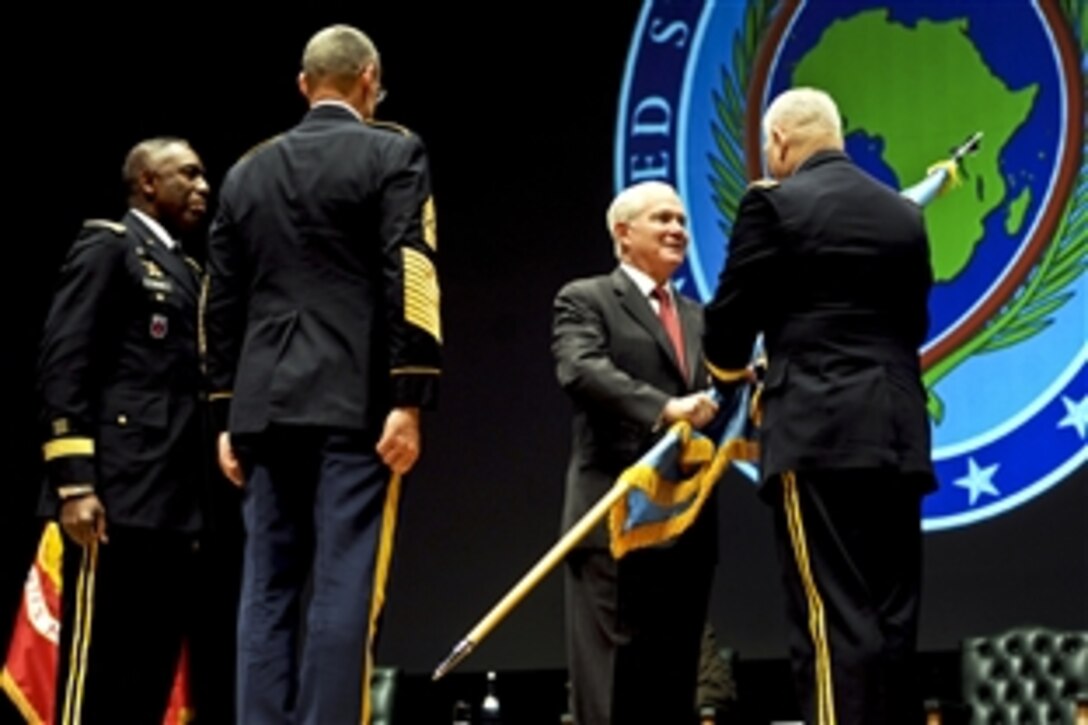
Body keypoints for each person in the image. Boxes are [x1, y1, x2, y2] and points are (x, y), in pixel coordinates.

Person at [204, 24, 441, 725]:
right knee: (342, 581)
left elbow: (221, 301)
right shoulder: (393, 152)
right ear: (369, 78)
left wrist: (223, 413)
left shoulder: (248, 170)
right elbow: (412, 270)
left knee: (265, 588)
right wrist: (410, 393)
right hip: (352, 398)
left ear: (305, 85)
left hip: (263, 405)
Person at [702, 87, 935, 725]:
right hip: (895, 431)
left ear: (779, 142)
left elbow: (727, 327)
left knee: (831, 618)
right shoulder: (903, 214)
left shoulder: (773, 205)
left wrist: (730, 372)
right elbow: (913, 323)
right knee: (891, 619)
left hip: (816, 429)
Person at [37, 137, 210, 723]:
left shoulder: (188, 272)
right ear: (147, 183)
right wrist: (74, 484)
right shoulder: (109, 247)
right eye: (186, 175)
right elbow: (65, 361)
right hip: (110, 498)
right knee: (94, 672)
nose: (202, 187)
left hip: (172, 501)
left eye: (204, 176)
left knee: (151, 671)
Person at [552, 181, 720, 725]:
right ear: (623, 234)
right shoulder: (586, 298)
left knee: (675, 682)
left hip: (685, 525)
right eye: (662, 219)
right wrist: (665, 407)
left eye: (682, 220)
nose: (678, 229)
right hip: (613, 519)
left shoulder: (699, 316)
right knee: (613, 683)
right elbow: (582, 370)